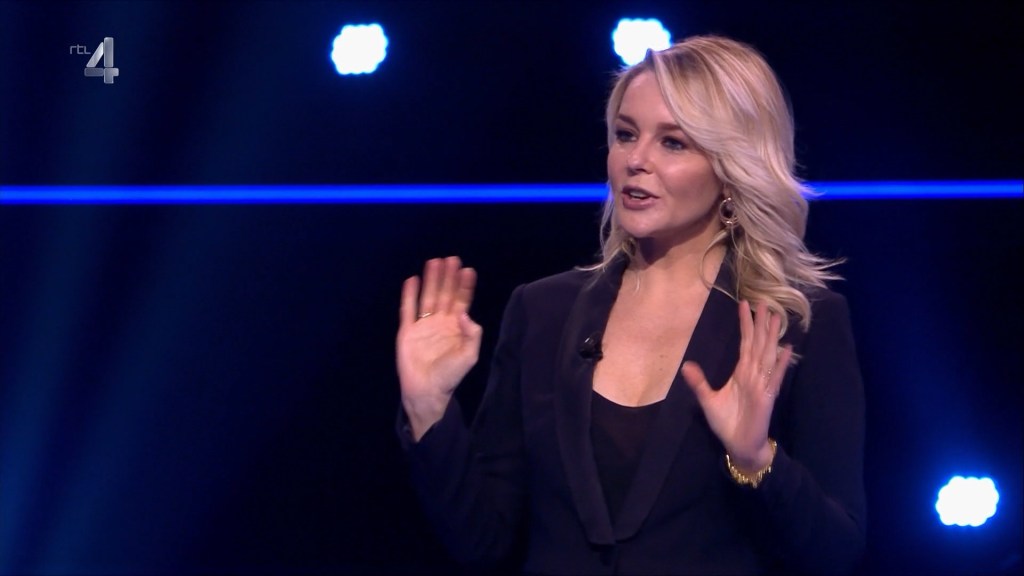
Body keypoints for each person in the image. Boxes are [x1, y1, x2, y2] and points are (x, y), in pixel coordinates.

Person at [395, 35, 865, 575]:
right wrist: (427, 408)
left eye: (673, 143)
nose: (635, 160)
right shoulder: (542, 310)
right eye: (625, 135)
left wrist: (757, 461)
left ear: (732, 167)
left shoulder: (796, 323)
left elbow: (837, 552)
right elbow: (484, 540)